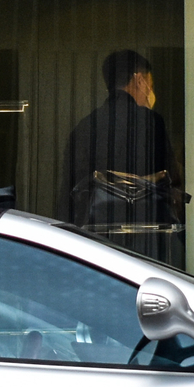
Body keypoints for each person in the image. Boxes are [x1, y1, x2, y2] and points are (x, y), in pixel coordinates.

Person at [64, 50, 184, 261]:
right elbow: (171, 177)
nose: (151, 91)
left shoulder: (84, 127)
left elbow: (70, 187)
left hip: (97, 236)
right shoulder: (151, 122)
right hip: (146, 231)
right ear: (139, 79)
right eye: (151, 84)